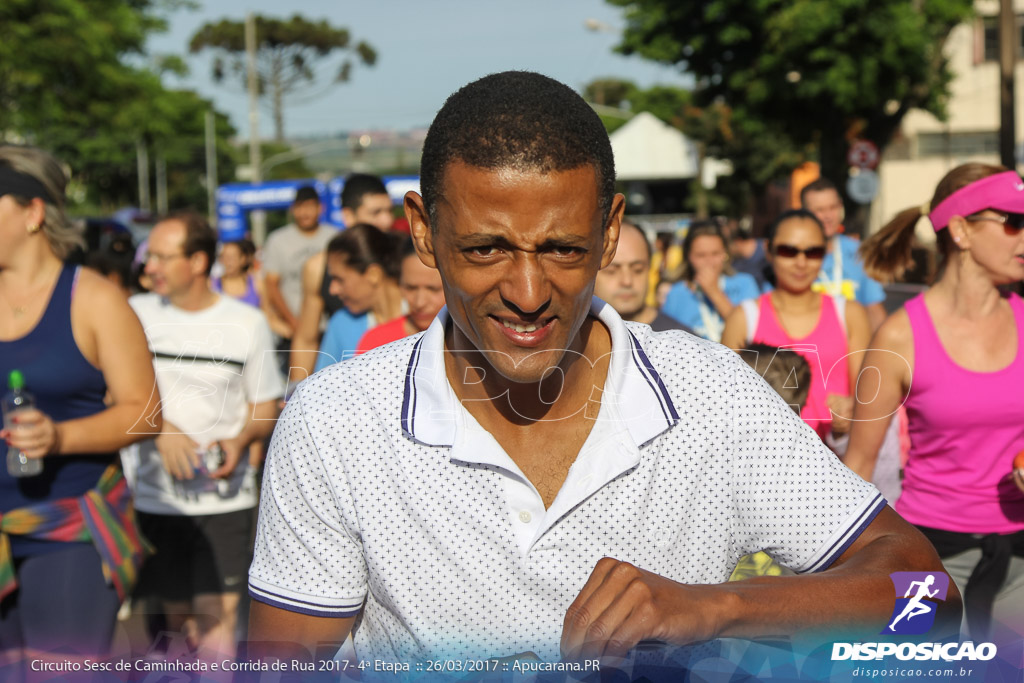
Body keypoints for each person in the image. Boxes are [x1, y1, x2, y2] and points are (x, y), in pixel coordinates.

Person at [248, 71, 957, 669]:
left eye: (561, 248)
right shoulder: (337, 421)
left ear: (610, 229)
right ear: (424, 232)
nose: (527, 293)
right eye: (487, 249)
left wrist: (715, 605)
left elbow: (931, 597)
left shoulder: (710, 395)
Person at [844, 163, 1024, 648]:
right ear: (962, 230)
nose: (1023, 236)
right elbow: (857, 465)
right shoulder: (898, 336)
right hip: (928, 555)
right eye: (1013, 221)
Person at [0, 145, 160, 662]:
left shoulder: (92, 298)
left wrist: (60, 436)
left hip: (69, 529)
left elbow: (146, 411)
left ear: (33, 212)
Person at [126, 210, 284, 659]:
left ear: (197, 261)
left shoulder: (246, 322)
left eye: (160, 256)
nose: (148, 266)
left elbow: (264, 407)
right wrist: (161, 430)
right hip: (156, 499)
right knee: (175, 627)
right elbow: (110, 394)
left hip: (227, 500)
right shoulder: (132, 313)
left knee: (217, 624)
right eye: (148, 256)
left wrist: (238, 441)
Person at [721, 209, 870, 440]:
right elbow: (727, 402)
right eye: (788, 251)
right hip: (766, 463)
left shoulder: (850, 314)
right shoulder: (743, 318)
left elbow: (865, 398)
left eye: (813, 252)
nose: (801, 262)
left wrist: (850, 412)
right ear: (769, 251)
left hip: (834, 465)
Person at [289, 174, 395, 383]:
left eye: (389, 210)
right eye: (376, 212)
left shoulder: (403, 260)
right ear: (348, 216)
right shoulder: (318, 267)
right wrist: (295, 398)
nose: (387, 220)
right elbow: (306, 339)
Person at [800, 178, 887, 330]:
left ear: (841, 206)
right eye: (819, 210)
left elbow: (875, 311)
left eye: (833, 207)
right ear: (804, 213)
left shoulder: (859, 253)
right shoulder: (791, 255)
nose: (828, 216)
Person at [313, 224, 403, 370]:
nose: (332, 290)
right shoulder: (340, 324)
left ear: (373, 275)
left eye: (339, 279)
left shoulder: (422, 315)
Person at [261, 186, 337, 342]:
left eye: (309, 207)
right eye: (300, 207)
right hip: (291, 329)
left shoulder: (334, 237)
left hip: (328, 329)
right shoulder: (278, 240)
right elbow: (271, 285)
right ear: (293, 210)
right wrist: (292, 322)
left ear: (320, 208)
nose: (305, 213)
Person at [661, 221, 759, 341]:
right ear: (689, 256)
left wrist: (714, 292)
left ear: (725, 253)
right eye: (701, 255)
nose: (709, 262)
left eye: (715, 254)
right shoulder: (676, 293)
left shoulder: (744, 283)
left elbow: (751, 331)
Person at [594, 220, 695, 334]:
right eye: (612, 271)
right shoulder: (574, 341)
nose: (627, 281)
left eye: (638, 270)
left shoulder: (682, 343)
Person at [355, 238, 445, 353]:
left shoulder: (468, 342)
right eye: (411, 288)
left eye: (433, 289)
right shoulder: (377, 342)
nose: (419, 302)